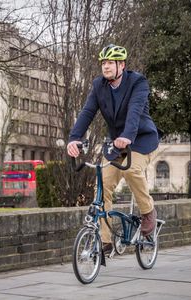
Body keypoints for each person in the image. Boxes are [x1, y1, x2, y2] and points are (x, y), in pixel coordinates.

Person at [67, 44, 160, 256]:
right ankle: (105, 241)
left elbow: (135, 111)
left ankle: (148, 211)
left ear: (121, 65)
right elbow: (87, 112)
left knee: (131, 170)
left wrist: (127, 135)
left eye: (110, 62)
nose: (106, 66)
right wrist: (74, 139)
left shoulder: (138, 82)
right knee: (102, 185)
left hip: (141, 140)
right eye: (103, 63)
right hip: (116, 144)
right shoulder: (99, 86)